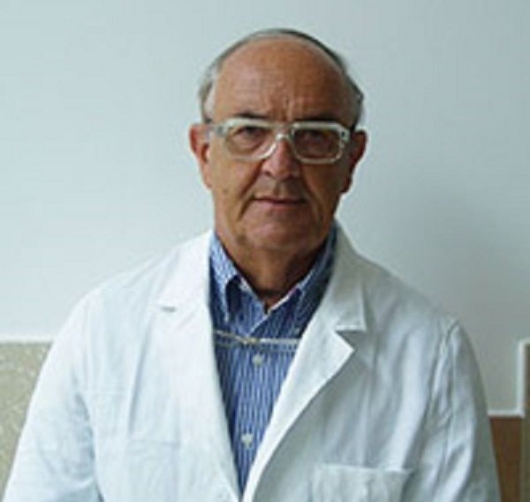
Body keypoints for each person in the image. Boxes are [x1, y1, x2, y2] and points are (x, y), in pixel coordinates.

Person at [5, 28, 500, 501]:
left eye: (315, 136)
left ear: (351, 160)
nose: (280, 165)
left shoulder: (430, 350)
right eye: (249, 132)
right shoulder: (104, 328)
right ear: (204, 152)